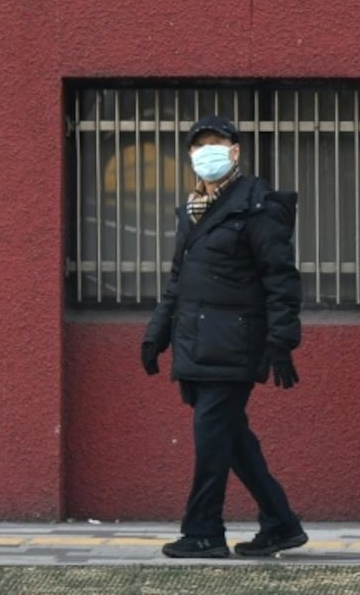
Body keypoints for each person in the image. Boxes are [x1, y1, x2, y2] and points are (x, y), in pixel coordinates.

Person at [140, 115, 307, 559]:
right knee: (231, 438)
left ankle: (204, 531)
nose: (206, 152)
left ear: (235, 151)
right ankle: (281, 524)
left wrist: (282, 341)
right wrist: (157, 332)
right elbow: (178, 280)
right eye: (199, 144)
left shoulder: (258, 206)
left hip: (232, 345)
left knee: (212, 437)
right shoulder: (194, 211)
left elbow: (281, 279)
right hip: (197, 344)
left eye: (216, 142)